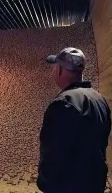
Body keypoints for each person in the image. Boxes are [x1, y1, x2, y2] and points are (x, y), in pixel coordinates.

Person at [37, 47, 111, 193]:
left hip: (70, 186)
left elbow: (55, 153)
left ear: (60, 70)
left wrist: (45, 183)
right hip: (95, 184)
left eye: (55, 67)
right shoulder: (99, 99)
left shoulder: (63, 104)